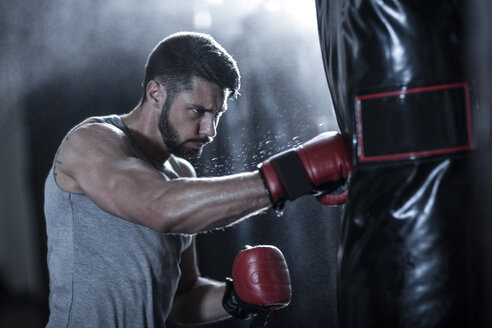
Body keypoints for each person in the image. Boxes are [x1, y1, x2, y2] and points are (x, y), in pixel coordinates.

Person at [44, 31, 351, 327]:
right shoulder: (90, 141)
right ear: (155, 93)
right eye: (197, 111)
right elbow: (158, 207)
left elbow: (182, 299)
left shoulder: (180, 175)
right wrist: (295, 173)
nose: (210, 130)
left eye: (216, 115)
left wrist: (236, 297)